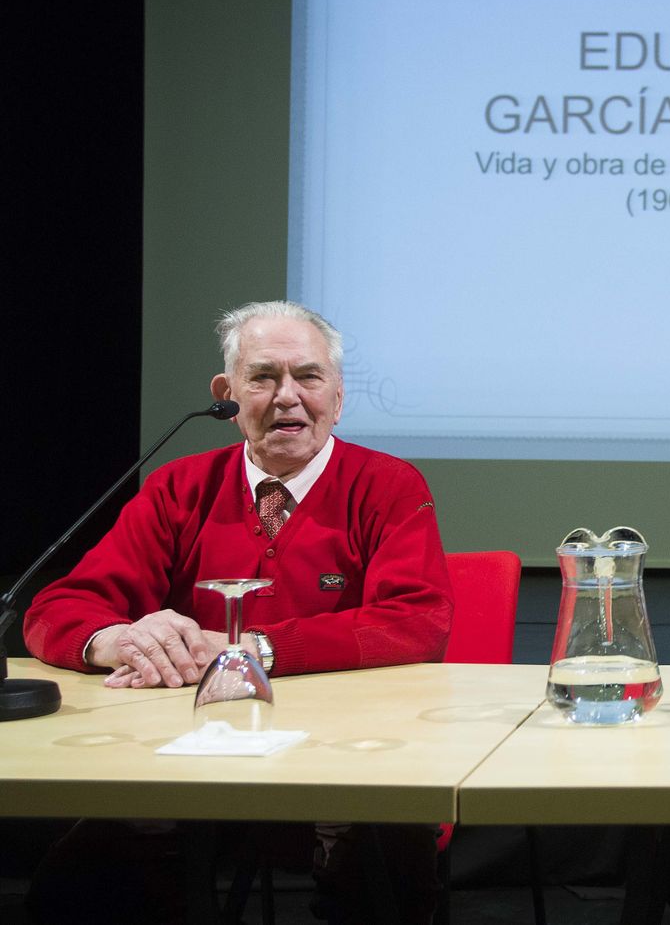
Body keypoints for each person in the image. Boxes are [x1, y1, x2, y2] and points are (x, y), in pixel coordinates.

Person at [23, 301, 453, 924]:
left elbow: (417, 619)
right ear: (226, 394)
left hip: (353, 752)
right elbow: (57, 607)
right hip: (190, 752)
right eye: (263, 377)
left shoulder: (387, 485)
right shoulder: (178, 487)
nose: (287, 397)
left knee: (384, 874)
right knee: (79, 883)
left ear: (338, 394)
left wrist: (253, 653)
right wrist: (117, 639)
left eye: (308, 376)